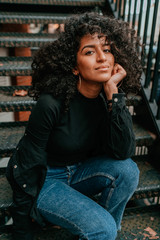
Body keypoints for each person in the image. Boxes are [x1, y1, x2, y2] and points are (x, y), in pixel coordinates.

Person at [6, 12, 142, 240]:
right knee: (102, 228)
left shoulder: (108, 97)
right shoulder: (51, 103)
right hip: (46, 181)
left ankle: (102, 231)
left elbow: (123, 152)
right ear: (74, 67)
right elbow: (26, 165)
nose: (102, 58)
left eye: (107, 49)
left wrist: (115, 98)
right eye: (90, 51)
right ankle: (101, 231)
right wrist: (22, 229)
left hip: (80, 173)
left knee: (128, 170)